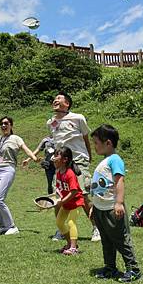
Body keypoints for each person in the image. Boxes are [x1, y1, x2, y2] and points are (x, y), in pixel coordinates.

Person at [90, 124, 141, 283]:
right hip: (100, 208)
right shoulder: (105, 161)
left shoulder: (115, 160)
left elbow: (119, 181)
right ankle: (110, 267)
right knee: (106, 240)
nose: (95, 146)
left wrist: (119, 203)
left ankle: (133, 269)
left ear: (108, 143)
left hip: (112, 208)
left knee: (120, 239)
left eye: (96, 143)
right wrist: (93, 206)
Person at [47, 92, 100, 242]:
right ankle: (61, 229)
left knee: (82, 194)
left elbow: (85, 139)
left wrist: (88, 157)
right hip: (60, 163)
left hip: (78, 160)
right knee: (58, 195)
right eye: (54, 98)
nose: (55, 100)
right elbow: (55, 142)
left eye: (59, 98)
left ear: (67, 104)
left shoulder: (78, 118)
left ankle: (96, 228)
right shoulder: (50, 122)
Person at [52, 147, 85, 255]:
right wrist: (54, 199)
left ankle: (73, 248)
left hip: (76, 203)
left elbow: (74, 191)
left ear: (65, 159)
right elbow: (59, 189)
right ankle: (69, 243)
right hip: (66, 203)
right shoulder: (58, 173)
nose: (53, 158)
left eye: (56, 155)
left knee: (71, 223)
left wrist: (62, 201)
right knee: (59, 222)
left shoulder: (70, 173)